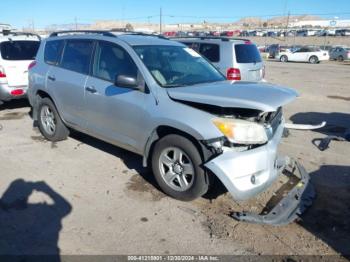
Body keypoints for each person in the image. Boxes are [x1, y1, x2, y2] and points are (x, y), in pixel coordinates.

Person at [0, 179, 72, 261]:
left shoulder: (4, 213)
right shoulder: (41, 211)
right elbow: (65, 207)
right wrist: (47, 189)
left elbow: (66, 208)